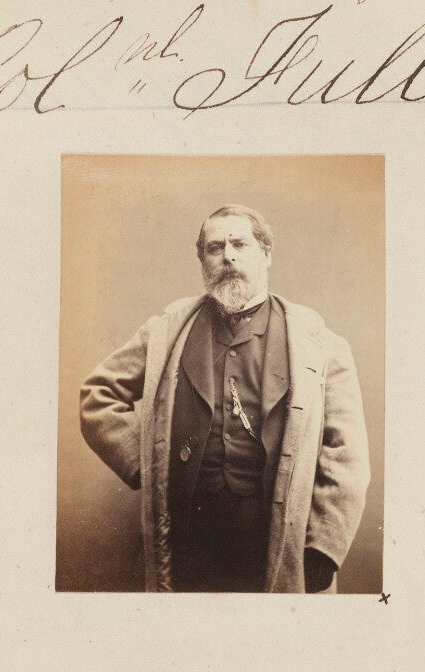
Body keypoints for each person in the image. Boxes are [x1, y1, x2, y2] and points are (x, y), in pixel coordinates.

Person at [80, 204, 370, 593]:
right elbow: (98, 395)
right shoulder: (166, 331)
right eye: (215, 247)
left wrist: (324, 547)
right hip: (190, 539)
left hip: (276, 537)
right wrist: (147, 464)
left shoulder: (318, 343)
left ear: (266, 253)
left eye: (240, 244)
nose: (228, 256)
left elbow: (346, 451)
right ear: (202, 259)